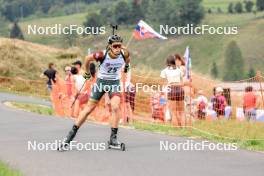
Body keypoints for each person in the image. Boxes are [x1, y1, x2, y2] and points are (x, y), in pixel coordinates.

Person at [59, 34, 130, 149]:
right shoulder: (102, 54)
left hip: (114, 83)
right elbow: (87, 59)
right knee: (88, 109)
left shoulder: (124, 53)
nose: (117, 48)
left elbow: (128, 59)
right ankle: (70, 136)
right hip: (101, 83)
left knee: (115, 107)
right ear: (110, 46)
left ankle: (113, 139)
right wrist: (87, 72)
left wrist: (126, 66)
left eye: (119, 46)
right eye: (115, 46)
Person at [160, 54, 185, 127]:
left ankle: (176, 129)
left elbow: (165, 83)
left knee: (174, 112)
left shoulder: (164, 71)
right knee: (182, 112)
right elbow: (182, 83)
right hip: (180, 90)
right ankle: (183, 128)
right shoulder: (179, 70)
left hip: (171, 90)